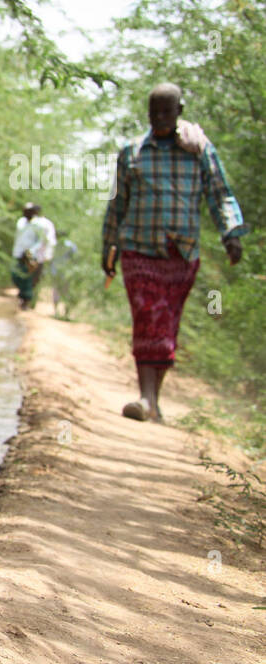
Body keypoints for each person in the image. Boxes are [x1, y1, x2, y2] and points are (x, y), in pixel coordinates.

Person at [102, 83, 247, 422]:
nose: (160, 118)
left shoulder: (199, 150)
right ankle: (146, 397)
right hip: (138, 248)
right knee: (147, 315)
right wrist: (108, 247)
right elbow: (117, 204)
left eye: (167, 111)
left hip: (181, 252)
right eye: (154, 112)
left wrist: (231, 234)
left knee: (167, 323)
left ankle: (154, 398)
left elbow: (219, 194)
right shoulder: (132, 151)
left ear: (179, 110)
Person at [11, 203, 54, 309]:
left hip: (31, 256)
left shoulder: (39, 225)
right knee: (16, 276)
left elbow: (41, 241)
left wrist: (30, 252)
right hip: (18, 254)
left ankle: (26, 301)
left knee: (28, 279)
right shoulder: (21, 222)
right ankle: (23, 296)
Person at [49, 238, 78, 319]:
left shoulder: (55, 245)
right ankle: (64, 313)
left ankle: (57, 312)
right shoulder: (71, 246)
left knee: (56, 291)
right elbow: (75, 259)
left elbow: (50, 258)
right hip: (66, 272)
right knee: (66, 292)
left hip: (57, 272)